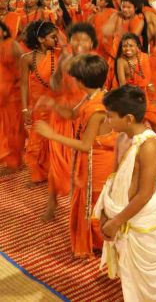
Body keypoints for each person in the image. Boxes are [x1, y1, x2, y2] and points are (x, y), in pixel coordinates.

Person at [93, 85, 156, 301]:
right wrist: (107, 212)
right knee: (130, 271)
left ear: (128, 119)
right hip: (123, 213)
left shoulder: (149, 145)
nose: (107, 121)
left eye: (110, 116)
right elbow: (114, 178)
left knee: (152, 279)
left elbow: (146, 193)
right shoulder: (122, 138)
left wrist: (117, 221)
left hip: (140, 218)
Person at [34, 54, 117, 257]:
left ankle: (103, 244)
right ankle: (96, 242)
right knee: (92, 204)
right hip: (92, 159)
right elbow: (72, 114)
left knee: (96, 204)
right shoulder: (95, 95)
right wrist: (52, 105)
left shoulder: (97, 109)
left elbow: (85, 145)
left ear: (80, 81)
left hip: (98, 163)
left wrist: (52, 135)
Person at [41, 22, 98, 222]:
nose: (79, 43)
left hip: (86, 114)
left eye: (84, 39)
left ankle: (84, 204)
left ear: (92, 43)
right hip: (62, 115)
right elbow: (54, 85)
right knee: (57, 161)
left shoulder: (96, 63)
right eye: (75, 38)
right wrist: (59, 69)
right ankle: (52, 201)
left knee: (85, 163)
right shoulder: (64, 59)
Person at [20, 21, 60, 184]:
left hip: (56, 105)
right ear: (41, 39)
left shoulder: (58, 55)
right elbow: (24, 85)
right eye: (53, 37)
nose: (56, 40)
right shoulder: (27, 58)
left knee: (56, 138)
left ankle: (55, 170)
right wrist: (24, 109)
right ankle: (40, 172)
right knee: (39, 139)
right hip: (38, 106)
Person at [0, 20, 25, 175]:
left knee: (13, 127)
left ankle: (15, 161)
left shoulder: (12, 45)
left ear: (4, 31)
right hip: (1, 94)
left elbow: (23, 67)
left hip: (12, 94)